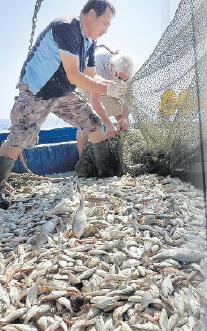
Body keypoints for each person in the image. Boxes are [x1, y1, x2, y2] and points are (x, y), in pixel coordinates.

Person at [0, 0, 126, 210]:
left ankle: (106, 173)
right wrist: (107, 90)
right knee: (20, 136)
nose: (106, 30)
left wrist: (111, 85)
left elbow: (91, 76)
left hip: (62, 92)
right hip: (37, 90)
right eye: (105, 23)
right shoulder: (67, 27)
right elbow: (75, 76)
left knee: (93, 123)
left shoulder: (90, 42)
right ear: (92, 14)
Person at [76, 50, 135, 154]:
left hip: (109, 85)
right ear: (112, 66)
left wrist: (125, 118)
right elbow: (95, 103)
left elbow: (130, 98)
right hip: (86, 83)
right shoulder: (97, 66)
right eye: (119, 77)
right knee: (87, 121)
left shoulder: (127, 72)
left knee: (122, 118)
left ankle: (124, 153)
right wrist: (109, 125)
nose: (121, 81)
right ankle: (81, 158)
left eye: (124, 80)